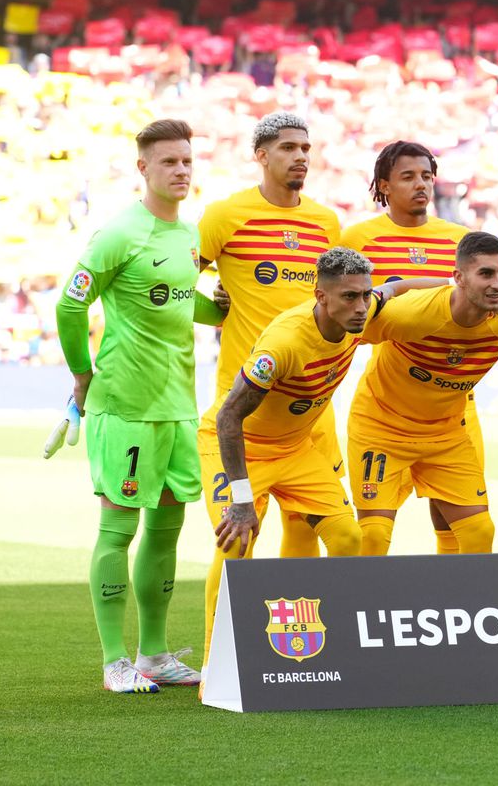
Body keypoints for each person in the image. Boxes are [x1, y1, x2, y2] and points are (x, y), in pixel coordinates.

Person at [52, 119, 225, 693]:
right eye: (169, 161)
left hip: (177, 407)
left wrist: (219, 309)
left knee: (168, 528)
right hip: (123, 406)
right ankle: (113, 661)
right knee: (117, 529)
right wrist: (83, 372)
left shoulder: (189, 236)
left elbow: (176, 302)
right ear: (143, 168)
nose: (181, 171)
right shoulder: (118, 233)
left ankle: (153, 654)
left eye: (187, 161)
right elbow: (69, 306)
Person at [200, 248, 378, 679]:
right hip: (240, 447)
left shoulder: (365, 313)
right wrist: (241, 500)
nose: (360, 307)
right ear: (321, 295)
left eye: (365, 296)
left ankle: (334, 652)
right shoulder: (284, 343)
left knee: (347, 537)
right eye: (350, 298)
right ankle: (218, 665)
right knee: (237, 543)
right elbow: (228, 418)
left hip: (295, 448)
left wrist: (461, 285)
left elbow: (398, 290)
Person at [198, 112, 342, 560]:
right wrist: (216, 311)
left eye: (305, 149)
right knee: (238, 540)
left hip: (312, 407)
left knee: (309, 532)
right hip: (247, 403)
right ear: (261, 156)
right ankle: (218, 635)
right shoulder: (225, 215)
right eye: (288, 148)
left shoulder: (325, 222)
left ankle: (305, 632)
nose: (300, 157)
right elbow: (178, 290)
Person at [348, 232, 498, 555]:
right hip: (381, 430)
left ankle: (462, 605)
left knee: (479, 533)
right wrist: (390, 289)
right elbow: (339, 332)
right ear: (459, 278)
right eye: (486, 274)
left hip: (446, 436)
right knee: (373, 539)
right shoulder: (409, 315)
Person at [340, 141, 474, 555]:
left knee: (464, 528)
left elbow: (497, 289)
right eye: (408, 176)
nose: (422, 185)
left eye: (427, 176)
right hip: (389, 399)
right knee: (374, 534)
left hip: (454, 402)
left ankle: (453, 611)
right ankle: (364, 612)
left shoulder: (462, 239)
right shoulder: (359, 237)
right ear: (384, 184)